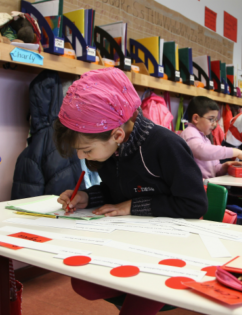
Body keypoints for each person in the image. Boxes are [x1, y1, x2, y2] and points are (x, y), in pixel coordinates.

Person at [53, 68, 208, 315]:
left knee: (138, 300)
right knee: (83, 283)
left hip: (172, 246)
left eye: (86, 150)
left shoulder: (166, 145)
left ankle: (153, 286)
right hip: (131, 239)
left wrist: (132, 206)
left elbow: (195, 205)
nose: (82, 157)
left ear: (116, 134)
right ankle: (141, 286)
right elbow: (117, 191)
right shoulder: (111, 148)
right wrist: (86, 197)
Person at [180, 96, 242, 179]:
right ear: (196, 118)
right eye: (211, 119)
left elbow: (214, 170)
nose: (214, 124)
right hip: (196, 188)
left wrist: (225, 166)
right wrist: (236, 152)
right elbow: (201, 151)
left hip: (207, 185)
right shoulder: (189, 132)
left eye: (215, 120)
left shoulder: (206, 139)